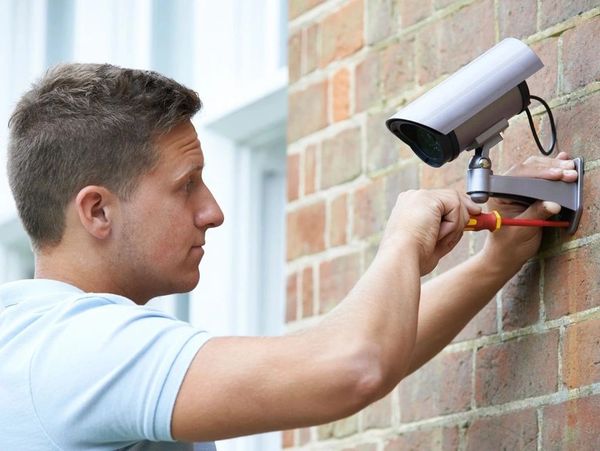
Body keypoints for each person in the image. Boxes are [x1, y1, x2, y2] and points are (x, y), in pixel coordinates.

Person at [0, 63, 579, 450]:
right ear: (97, 212)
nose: (213, 211)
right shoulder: (78, 348)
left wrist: (494, 261)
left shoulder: (32, 342)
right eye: (186, 185)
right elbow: (350, 368)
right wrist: (403, 236)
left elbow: (359, 353)